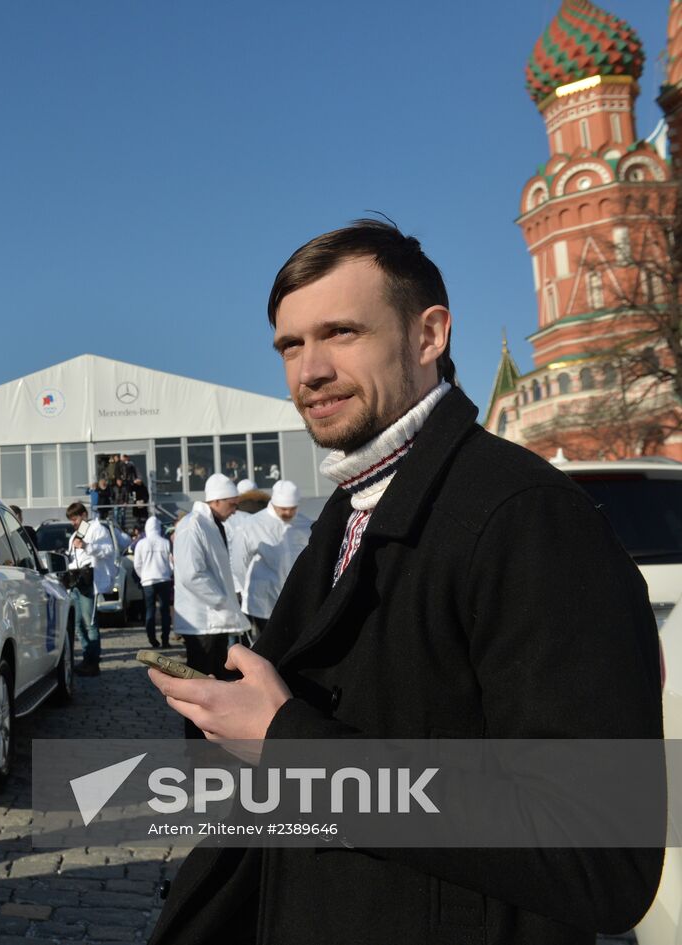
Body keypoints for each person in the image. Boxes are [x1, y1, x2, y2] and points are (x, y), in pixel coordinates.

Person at [146, 220, 662, 943]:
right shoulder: (349, 510)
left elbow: (601, 853)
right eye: (290, 345)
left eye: (341, 333)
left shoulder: (526, 517)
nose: (309, 370)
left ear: (428, 337)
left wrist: (290, 742)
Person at [170, 473, 249, 738]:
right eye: (232, 503)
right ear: (217, 500)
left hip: (215, 620)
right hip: (203, 620)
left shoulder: (211, 524)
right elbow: (191, 574)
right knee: (200, 687)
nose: (235, 508)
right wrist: (222, 601)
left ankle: (210, 742)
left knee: (212, 685)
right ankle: (197, 747)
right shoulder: (193, 526)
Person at [228, 479, 310, 638]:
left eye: (292, 509)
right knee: (268, 646)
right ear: (274, 503)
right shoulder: (252, 525)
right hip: (263, 601)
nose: (287, 513)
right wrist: (247, 589)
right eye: (283, 509)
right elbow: (239, 562)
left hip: (297, 598)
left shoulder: (305, 524)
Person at [65, 500, 116, 677]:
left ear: (84, 515)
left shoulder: (98, 529)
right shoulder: (75, 536)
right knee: (78, 624)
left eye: (75, 518)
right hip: (76, 583)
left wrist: (87, 546)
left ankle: (93, 662)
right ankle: (87, 657)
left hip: (89, 581)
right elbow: (73, 558)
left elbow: (108, 550)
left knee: (90, 623)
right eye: (71, 520)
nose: (73, 522)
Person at [132, 515, 174, 648]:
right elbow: (172, 562)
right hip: (164, 579)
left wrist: (142, 576)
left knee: (149, 610)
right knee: (164, 611)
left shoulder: (141, 543)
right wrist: (168, 573)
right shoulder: (166, 542)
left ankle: (152, 639)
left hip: (147, 581)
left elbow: (137, 564)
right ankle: (165, 640)